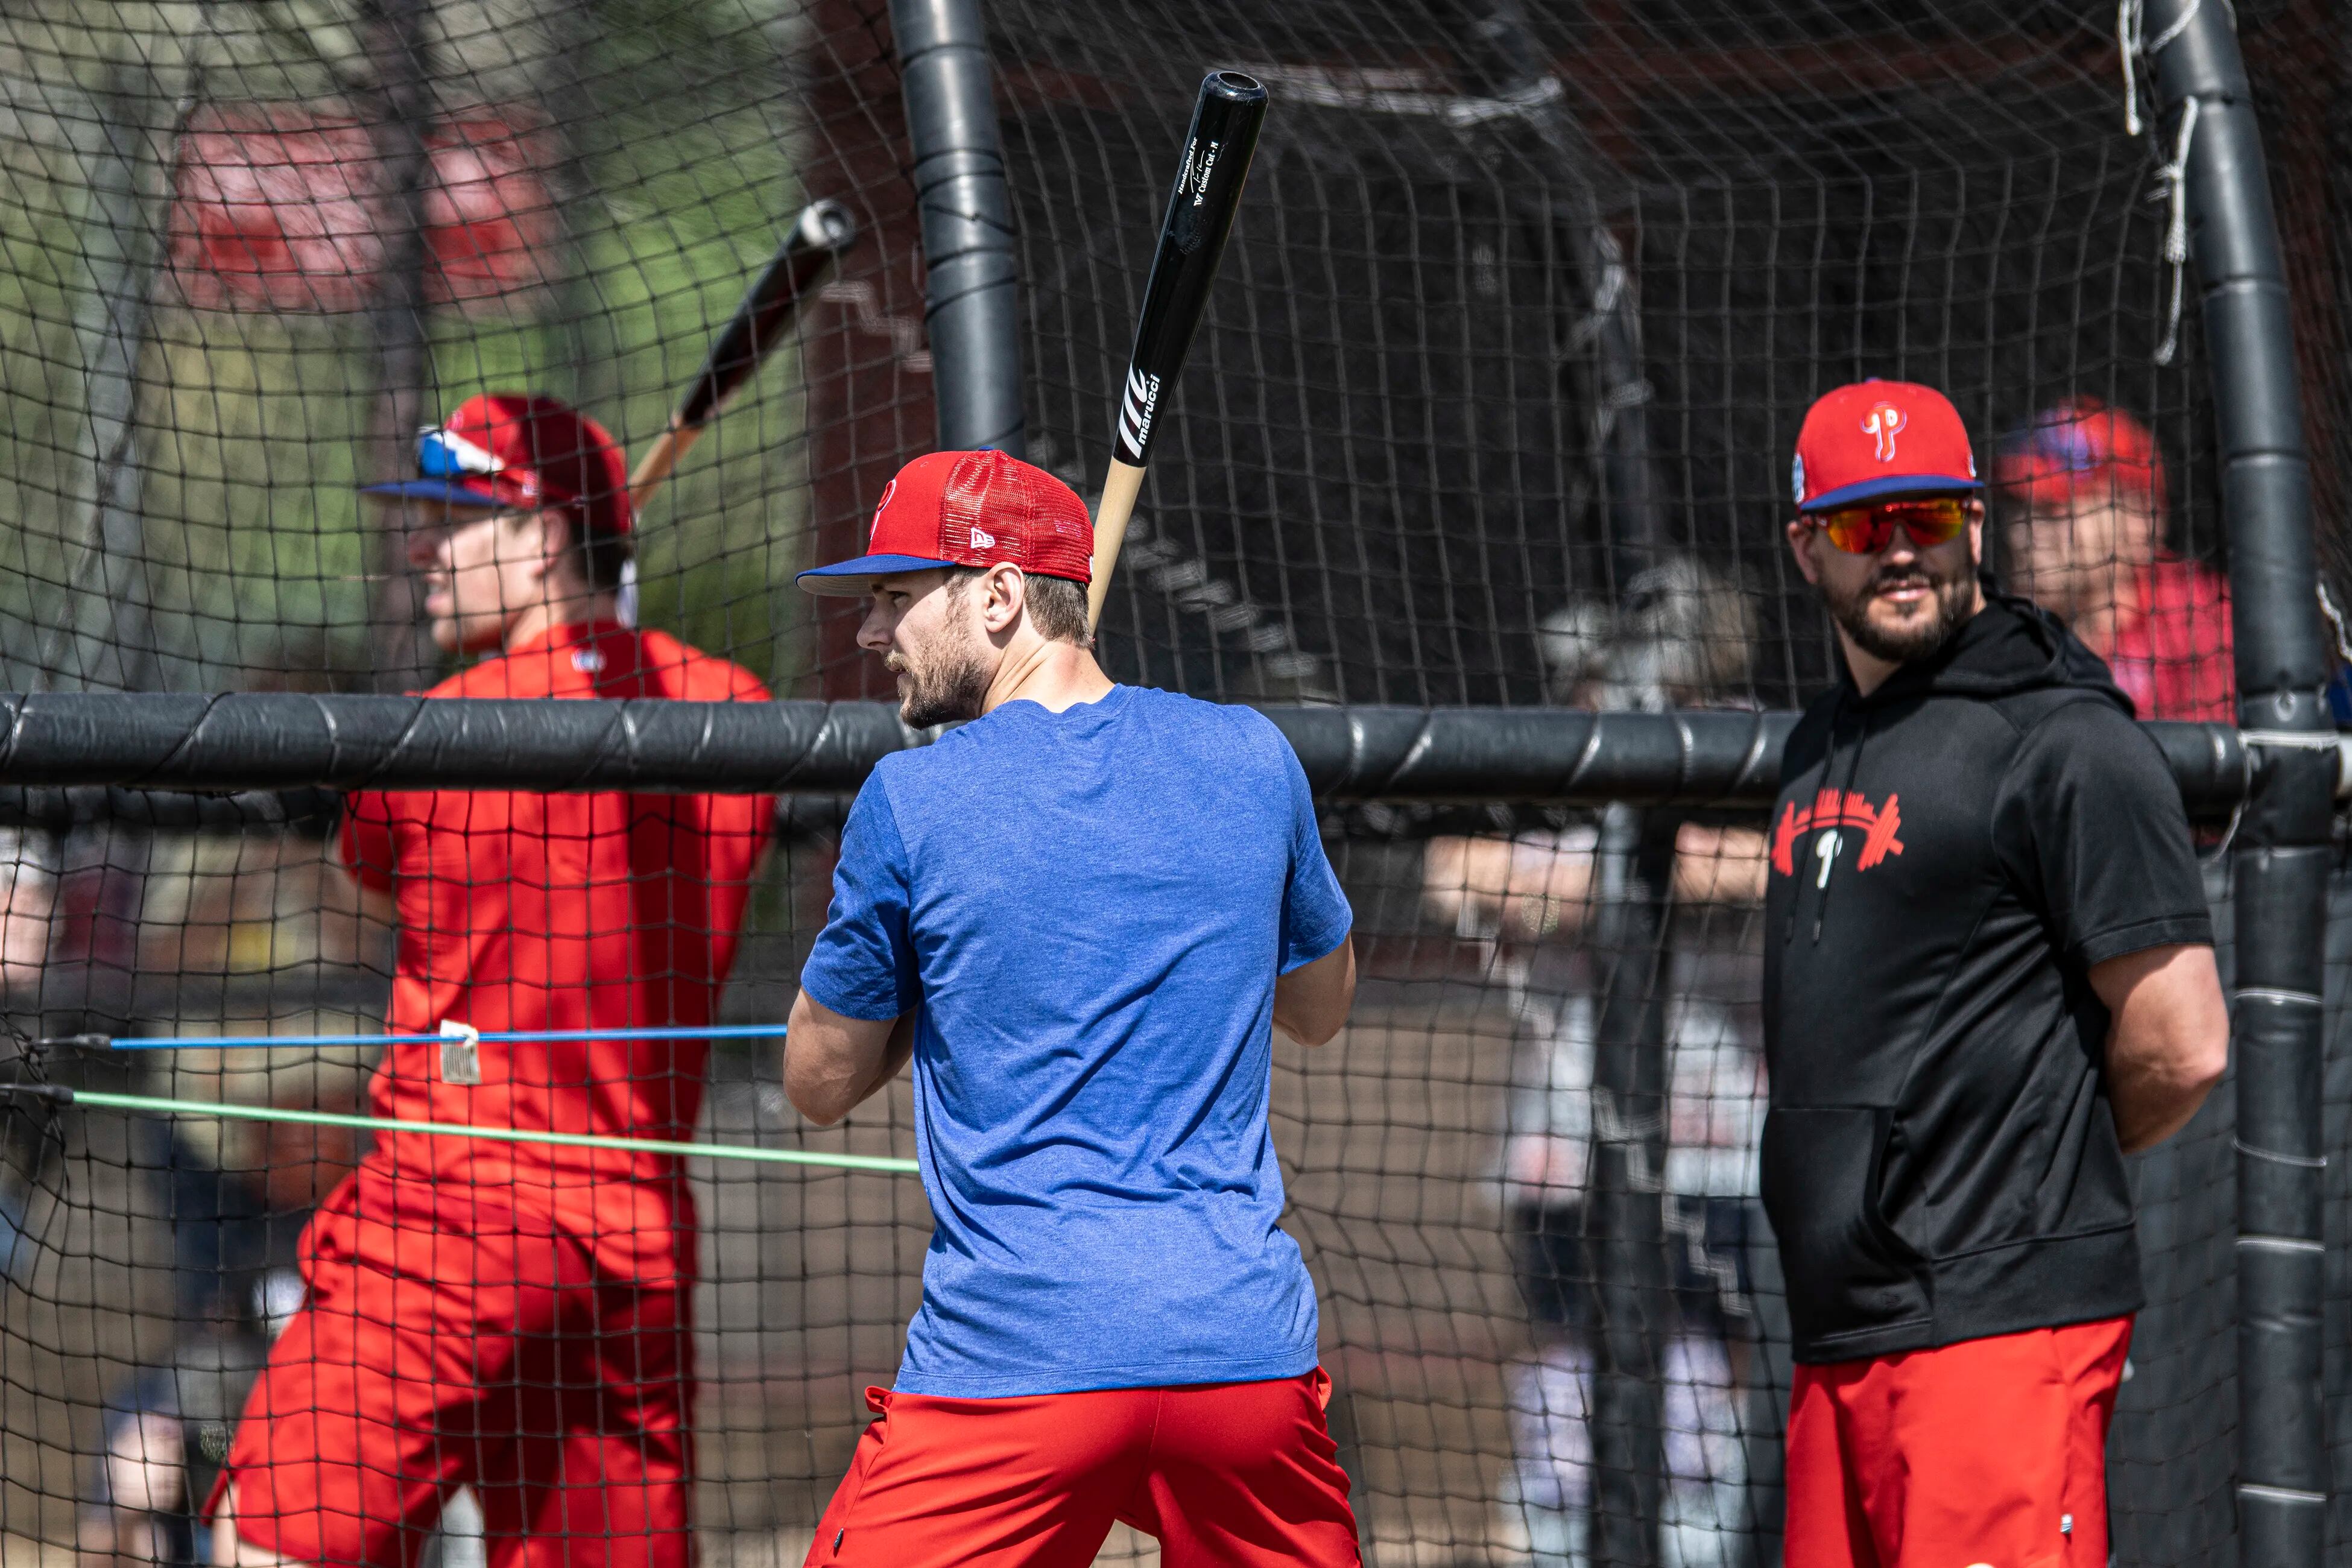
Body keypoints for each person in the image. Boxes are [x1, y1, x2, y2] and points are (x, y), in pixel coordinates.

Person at [204, 394, 776, 1568]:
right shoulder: (734, 709)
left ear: (545, 537)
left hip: (450, 1214)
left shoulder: (431, 728)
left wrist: (575, 662)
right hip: (631, 1244)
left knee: (266, 1545)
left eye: (457, 520)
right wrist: (600, 651)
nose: (423, 549)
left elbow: (371, 865)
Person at [783, 448, 1361, 1567]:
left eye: (896, 600)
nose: (870, 634)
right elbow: (1321, 1008)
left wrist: (925, 993)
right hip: (1240, 1361)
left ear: (1000, 597)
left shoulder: (914, 797)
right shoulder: (1252, 754)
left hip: (1018, 1365)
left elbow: (816, 1083)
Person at [1768, 378, 2229, 1567]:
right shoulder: (1818, 743)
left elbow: (2183, 1039)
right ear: (1807, 545)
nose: (1903, 551)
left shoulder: (2065, 733)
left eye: (1929, 516)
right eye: (1868, 526)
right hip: (1839, 1336)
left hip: (2001, 1336)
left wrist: (2028, 1152)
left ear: (1976, 523)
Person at [1421, 560, 1769, 1568]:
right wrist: (1587, 880)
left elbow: (1748, 869)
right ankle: (1561, 1544)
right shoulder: (1570, 778)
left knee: (1702, 1386)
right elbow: (1456, 872)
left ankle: (1695, 1545)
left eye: (1611, 678)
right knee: (1571, 1372)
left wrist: (1586, 884)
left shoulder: (1739, 753)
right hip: (1565, 1158)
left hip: (1718, 1153)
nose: (1587, 696)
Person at [1994, 397, 2233, 720]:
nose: (2022, 536)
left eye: (2053, 513)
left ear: (2139, 519)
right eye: (2019, 511)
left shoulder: (2204, 622)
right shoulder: (2005, 640)